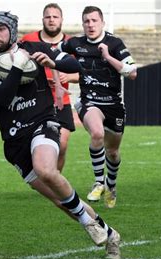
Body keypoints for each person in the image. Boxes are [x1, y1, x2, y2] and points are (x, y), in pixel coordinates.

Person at [0, 11, 121, 259]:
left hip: (43, 122)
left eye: (1, 29)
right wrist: (18, 67)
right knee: (60, 200)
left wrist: (53, 63)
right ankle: (111, 235)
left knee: (46, 170)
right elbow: (0, 98)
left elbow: (75, 65)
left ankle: (87, 221)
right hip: (14, 143)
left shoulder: (34, 47)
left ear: (12, 31)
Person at [58, 6, 137, 208]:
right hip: (89, 102)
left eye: (94, 21)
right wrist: (58, 81)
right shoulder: (75, 43)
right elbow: (52, 53)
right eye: (86, 21)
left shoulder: (115, 43)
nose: (90, 25)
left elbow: (132, 72)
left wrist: (109, 56)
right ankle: (98, 182)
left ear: (102, 23)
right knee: (96, 133)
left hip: (114, 106)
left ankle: (111, 185)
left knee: (113, 152)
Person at [21, 3, 79, 172]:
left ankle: (56, 180)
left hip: (61, 101)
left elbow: (82, 73)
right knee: (32, 146)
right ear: (43, 19)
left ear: (61, 20)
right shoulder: (28, 40)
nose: (51, 20)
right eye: (48, 17)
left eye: (55, 17)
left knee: (62, 144)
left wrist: (68, 76)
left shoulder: (71, 44)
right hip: (34, 101)